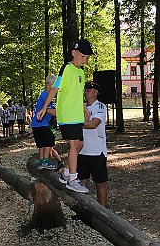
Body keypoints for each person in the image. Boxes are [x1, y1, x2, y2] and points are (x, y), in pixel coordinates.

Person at [37, 39, 93, 193]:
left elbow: (77, 93)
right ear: (74, 53)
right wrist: (44, 107)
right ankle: (72, 180)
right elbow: (55, 88)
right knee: (75, 145)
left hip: (76, 114)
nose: (85, 60)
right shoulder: (66, 68)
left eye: (87, 57)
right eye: (83, 56)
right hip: (67, 114)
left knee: (79, 145)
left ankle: (66, 173)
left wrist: (84, 107)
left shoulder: (81, 72)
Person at [77, 81, 108, 206]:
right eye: (85, 89)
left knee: (100, 183)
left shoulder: (100, 106)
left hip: (96, 151)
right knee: (80, 184)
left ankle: (103, 212)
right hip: (82, 151)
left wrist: (76, 123)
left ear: (96, 92)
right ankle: (81, 210)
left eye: (90, 88)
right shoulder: (80, 107)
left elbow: (93, 124)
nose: (86, 91)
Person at [31, 75, 58, 170]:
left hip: (36, 124)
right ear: (50, 86)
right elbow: (49, 110)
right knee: (49, 139)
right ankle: (45, 161)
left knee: (42, 143)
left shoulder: (43, 94)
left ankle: (42, 161)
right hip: (41, 123)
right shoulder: (47, 95)